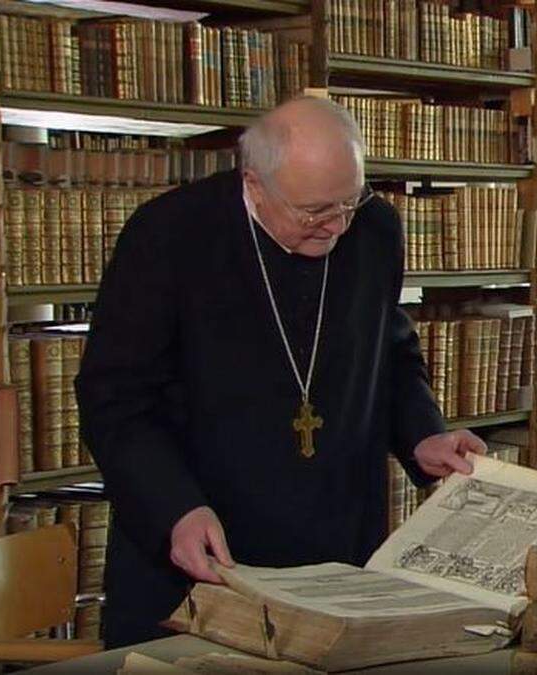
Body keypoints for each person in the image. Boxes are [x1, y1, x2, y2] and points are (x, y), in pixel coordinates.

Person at [75, 97, 486, 648]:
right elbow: (114, 398)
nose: (335, 227)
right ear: (255, 183)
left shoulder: (375, 230)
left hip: (338, 553)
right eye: (314, 211)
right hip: (203, 550)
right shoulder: (169, 236)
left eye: (349, 202)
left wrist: (423, 434)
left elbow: (391, 357)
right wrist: (174, 507)